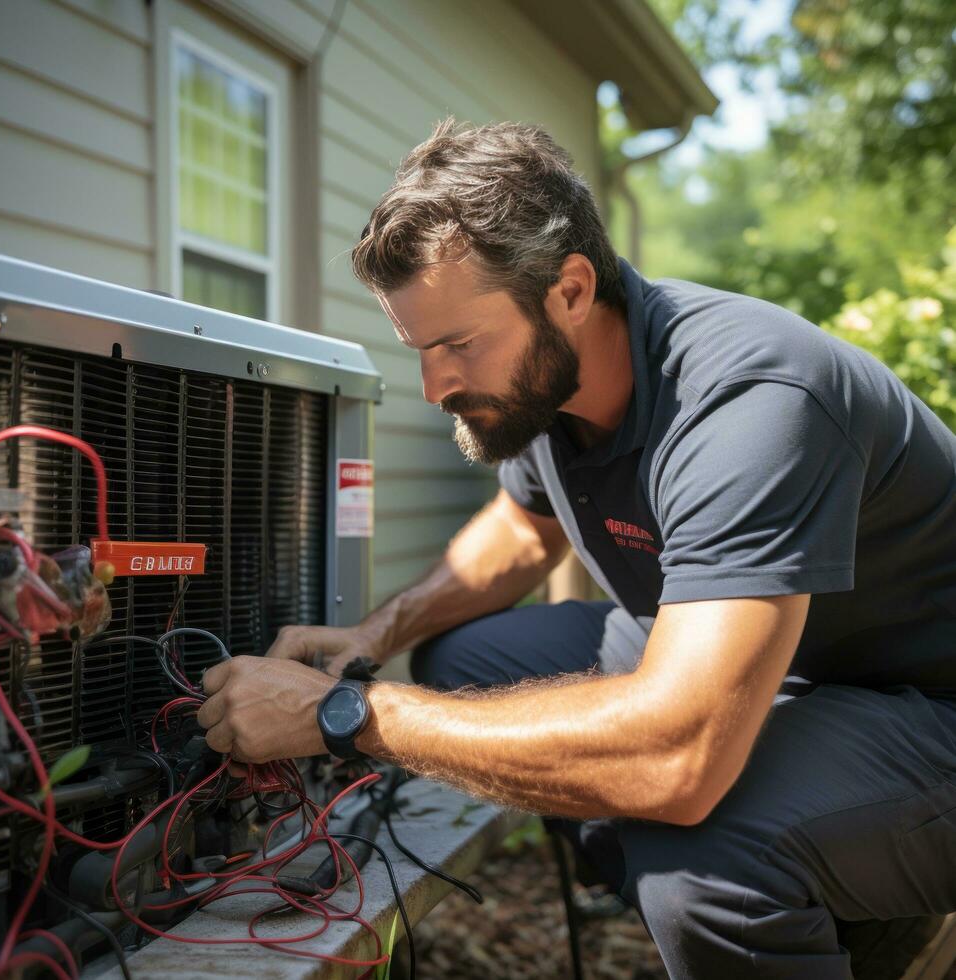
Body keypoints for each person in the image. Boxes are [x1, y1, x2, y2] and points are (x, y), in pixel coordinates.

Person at [197, 119, 956, 979]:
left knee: (707, 873)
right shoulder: (546, 384)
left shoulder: (748, 401)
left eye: (458, 345)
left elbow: (678, 758)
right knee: (470, 655)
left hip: (922, 703)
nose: (435, 385)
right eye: (419, 350)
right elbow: (523, 531)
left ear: (569, 289)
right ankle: (770, 892)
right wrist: (379, 634)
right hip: (752, 652)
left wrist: (349, 716)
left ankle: (844, 917)